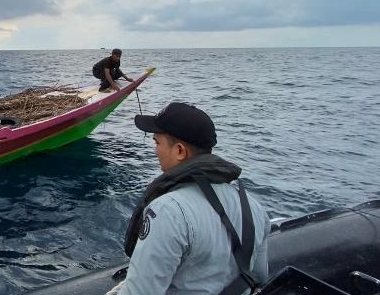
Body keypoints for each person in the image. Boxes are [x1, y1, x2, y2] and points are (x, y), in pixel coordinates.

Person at [109, 102, 271, 295]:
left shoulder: (168, 211)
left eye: (157, 143)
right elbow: (260, 275)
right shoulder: (253, 207)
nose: (155, 151)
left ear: (179, 151)